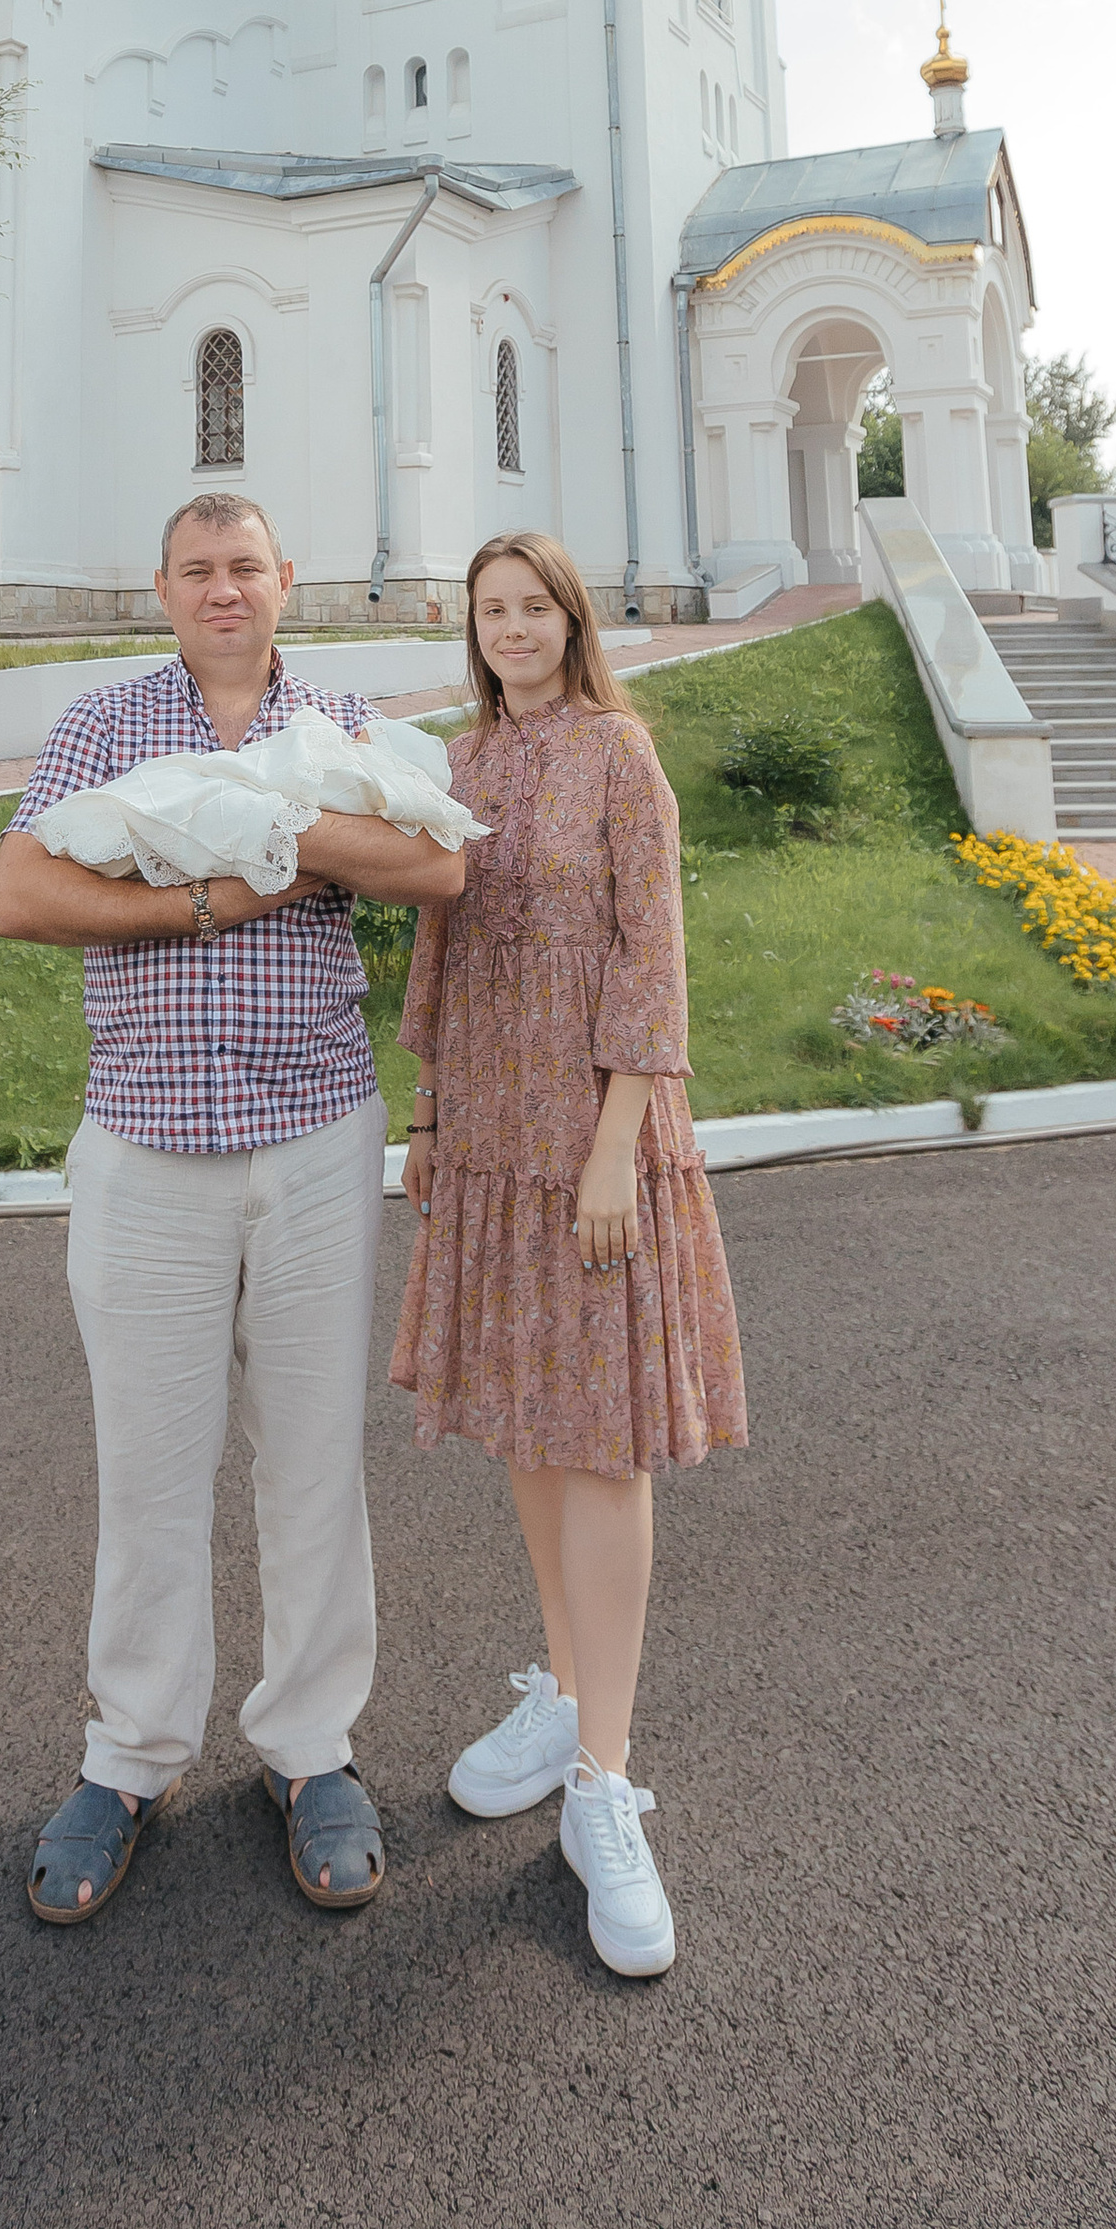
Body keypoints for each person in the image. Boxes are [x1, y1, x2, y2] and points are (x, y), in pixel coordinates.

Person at [0, 493, 466, 1925]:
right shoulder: (101, 728)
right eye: (198, 571)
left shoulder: (348, 724)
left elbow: (440, 866)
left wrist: (285, 833)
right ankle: (129, 1758)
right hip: (146, 1150)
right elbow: (21, 892)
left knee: (313, 1462)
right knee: (150, 1471)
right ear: (162, 589)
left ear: (284, 583)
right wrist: (209, 905)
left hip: (316, 1139)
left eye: (244, 567)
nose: (222, 590)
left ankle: (312, 1749)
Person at [391, 529, 747, 1978]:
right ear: (472, 633)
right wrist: (426, 1106)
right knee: (531, 1430)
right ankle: (563, 1692)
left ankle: (606, 1782)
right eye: (493, 611)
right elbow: (439, 948)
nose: (516, 628)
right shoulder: (459, 767)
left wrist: (618, 1141)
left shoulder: (618, 755)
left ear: (572, 620)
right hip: (486, 1131)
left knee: (602, 1445)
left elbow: (648, 955)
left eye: (536, 607)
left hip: (595, 1140)